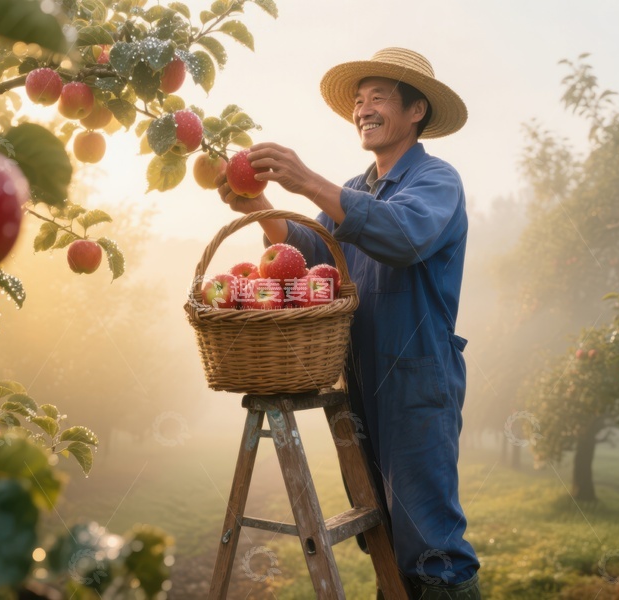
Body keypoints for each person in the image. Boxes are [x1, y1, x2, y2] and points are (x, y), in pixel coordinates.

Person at [216, 47, 481, 599]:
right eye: (358, 102)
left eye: (378, 98)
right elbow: (312, 251)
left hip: (415, 380)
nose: (363, 109)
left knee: (431, 545)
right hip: (356, 382)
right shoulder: (354, 190)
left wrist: (306, 180)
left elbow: (403, 236)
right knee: (381, 535)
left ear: (416, 112)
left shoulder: (437, 181)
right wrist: (258, 202)